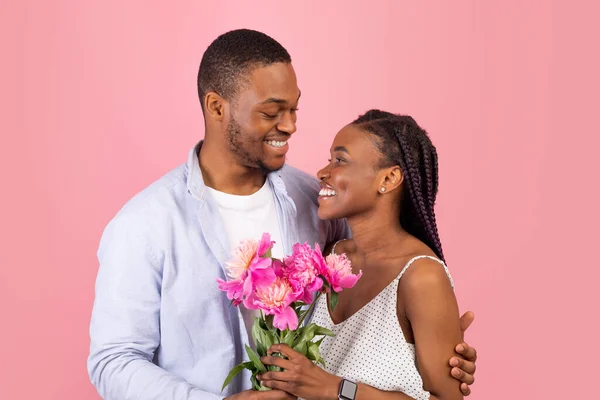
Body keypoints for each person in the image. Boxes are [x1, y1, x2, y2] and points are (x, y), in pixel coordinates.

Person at [87, 30, 477, 400]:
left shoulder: (316, 203)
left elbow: (374, 301)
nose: (290, 126)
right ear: (216, 106)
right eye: (272, 111)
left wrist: (433, 348)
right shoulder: (143, 225)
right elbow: (113, 361)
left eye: (293, 109)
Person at [258, 111, 471, 399]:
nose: (323, 172)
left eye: (340, 160)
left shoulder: (421, 276)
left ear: (389, 178)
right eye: (330, 159)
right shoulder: (331, 258)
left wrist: (335, 389)